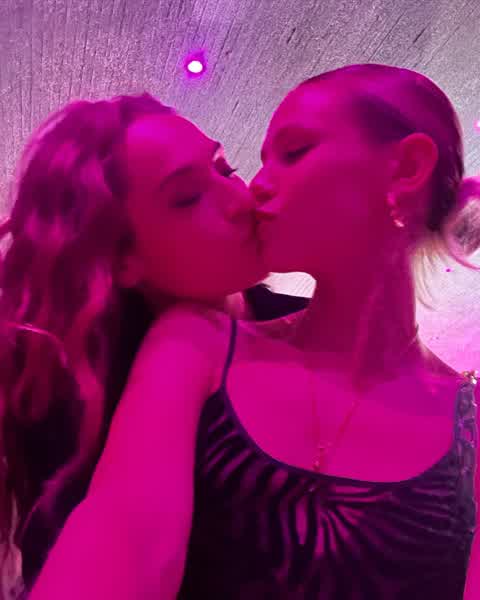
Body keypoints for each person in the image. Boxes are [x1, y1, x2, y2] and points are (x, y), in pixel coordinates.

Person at [29, 65, 479, 599]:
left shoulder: (469, 420)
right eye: (186, 197)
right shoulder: (192, 344)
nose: (252, 190)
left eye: (293, 152)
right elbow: (125, 540)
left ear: (405, 167)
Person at [0, 93, 307, 596]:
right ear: (122, 260)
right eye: (187, 198)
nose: (241, 200)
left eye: (224, 169)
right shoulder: (83, 405)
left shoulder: (308, 328)